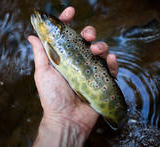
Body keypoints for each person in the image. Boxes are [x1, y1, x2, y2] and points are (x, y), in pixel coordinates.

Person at [28, 6, 119, 147]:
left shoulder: (52, 43)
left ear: (56, 30)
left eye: (46, 20)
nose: (40, 18)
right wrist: (61, 123)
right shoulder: (50, 43)